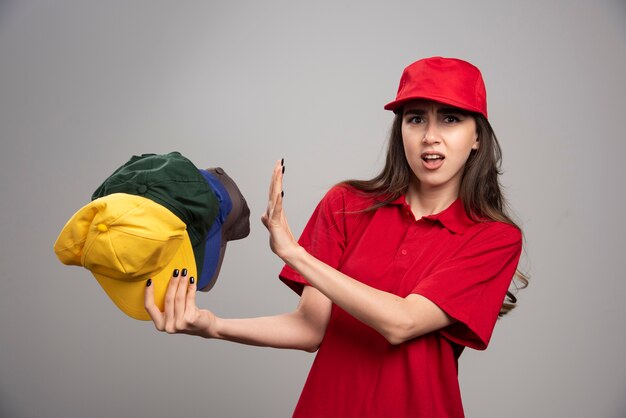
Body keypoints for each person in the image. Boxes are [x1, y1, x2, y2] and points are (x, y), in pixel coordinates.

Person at [144, 56, 527, 417]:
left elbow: (402, 323)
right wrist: (212, 325)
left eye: (450, 119)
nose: (430, 136)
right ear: (401, 130)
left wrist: (295, 254)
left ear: (477, 136)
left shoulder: (492, 238)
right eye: (415, 120)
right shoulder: (346, 204)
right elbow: (311, 328)